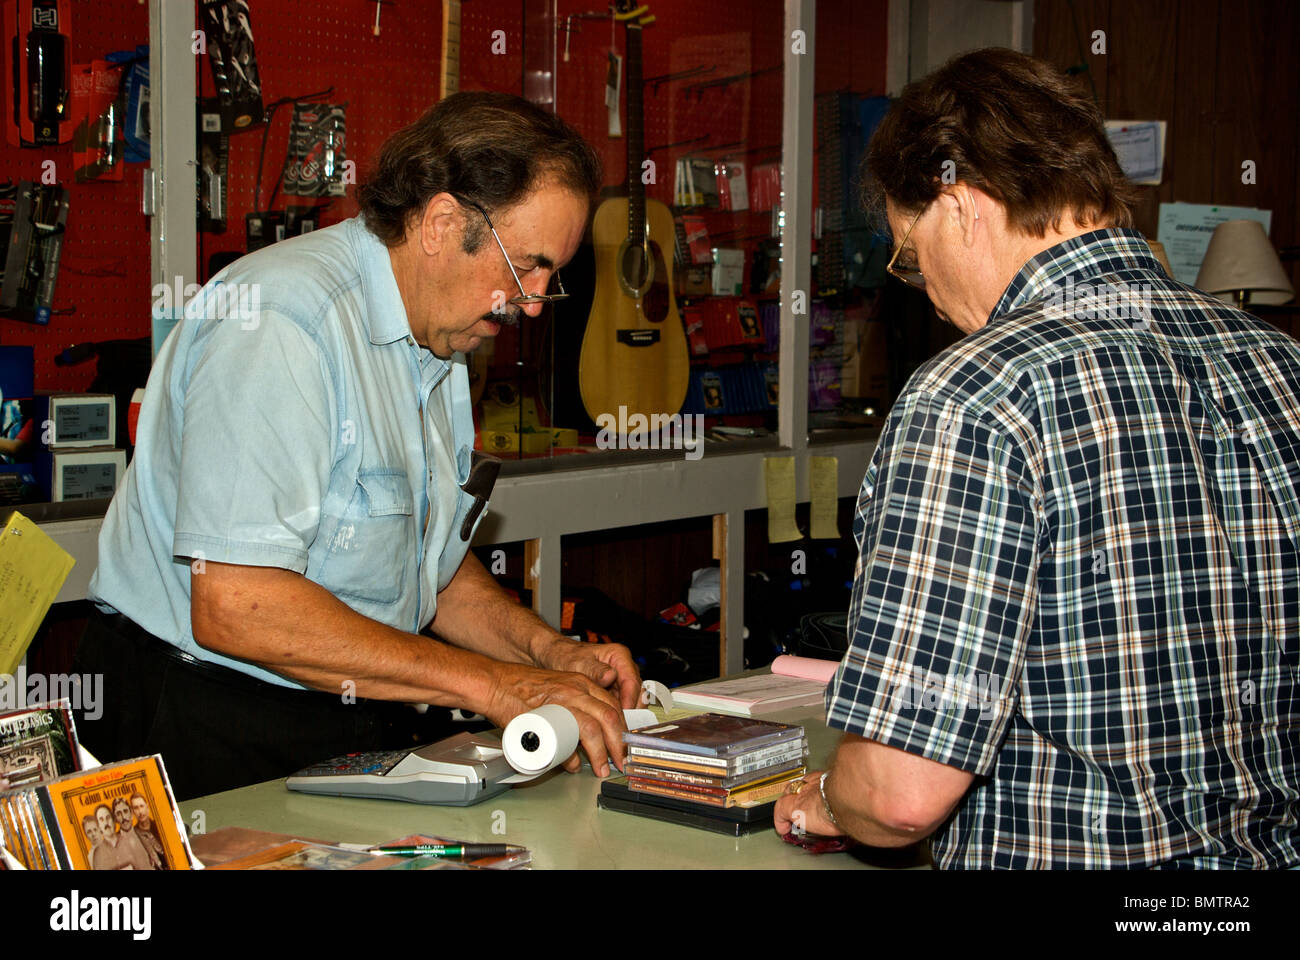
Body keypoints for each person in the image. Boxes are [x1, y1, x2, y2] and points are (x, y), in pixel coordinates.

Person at [775, 48, 1300, 869]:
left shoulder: (974, 395)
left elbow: (900, 794)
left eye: (908, 258)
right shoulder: (1277, 362)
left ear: (959, 206)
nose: (932, 297)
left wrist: (832, 799)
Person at [77, 92, 641, 800]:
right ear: (442, 222)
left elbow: (418, 566)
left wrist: (546, 652)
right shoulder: (283, 323)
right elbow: (237, 605)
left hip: (341, 707)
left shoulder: (441, 338)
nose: (531, 302)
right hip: (201, 719)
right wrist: (495, 684)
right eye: (525, 266)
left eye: (550, 278)